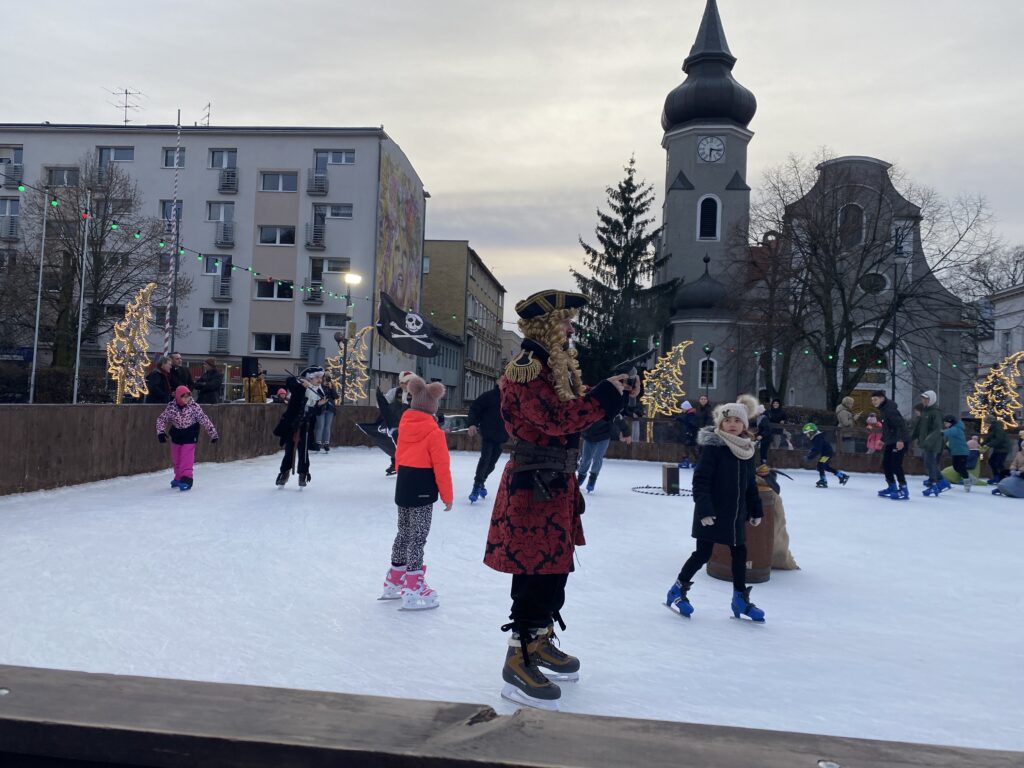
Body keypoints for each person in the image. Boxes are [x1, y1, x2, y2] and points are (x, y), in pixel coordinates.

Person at [484, 289, 635, 712]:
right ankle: (519, 658)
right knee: (535, 572)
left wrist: (614, 393)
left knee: (555, 569)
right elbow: (555, 420)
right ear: (547, 325)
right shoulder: (526, 369)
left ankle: (538, 639)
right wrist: (604, 395)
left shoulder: (553, 366)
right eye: (565, 321)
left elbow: (576, 416)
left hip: (555, 482)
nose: (571, 328)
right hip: (534, 484)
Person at [665, 395, 766, 622]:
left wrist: (755, 509)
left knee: (739, 553)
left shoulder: (747, 450)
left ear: (744, 425)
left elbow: (750, 484)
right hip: (711, 512)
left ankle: (740, 599)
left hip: (735, 513)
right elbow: (701, 480)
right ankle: (677, 589)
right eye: (727, 420)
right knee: (703, 553)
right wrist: (704, 510)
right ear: (720, 423)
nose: (732, 424)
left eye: (737, 421)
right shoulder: (713, 448)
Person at [379, 375, 454, 610]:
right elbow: (441, 466)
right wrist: (448, 496)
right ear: (432, 406)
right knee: (418, 537)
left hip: (404, 486)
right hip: (422, 488)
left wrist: (403, 476)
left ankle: (394, 580)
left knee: (403, 533)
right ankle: (413, 586)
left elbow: (399, 456)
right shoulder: (434, 432)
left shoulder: (405, 425)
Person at [155, 385, 219, 491]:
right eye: (184, 396)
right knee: (176, 458)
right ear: (178, 397)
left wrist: (213, 434)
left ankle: (187, 480)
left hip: (190, 434)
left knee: (186, 458)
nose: (187, 399)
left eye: (188, 396)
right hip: (177, 434)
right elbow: (162, 419)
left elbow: (204, 419)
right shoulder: (171, 407)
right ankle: (178, 477)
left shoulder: (194, 407)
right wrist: (160, 432)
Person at [272, 366, 326, 488]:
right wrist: (303, 385)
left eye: (320, 377)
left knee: (303, 451)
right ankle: (284, 473)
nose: (319, 380)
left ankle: (303, 474)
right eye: (317, 377)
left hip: (305, 426)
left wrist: (318, 406)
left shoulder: (319, 392)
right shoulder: (299, 386)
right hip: (292, 424)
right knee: (289, 451)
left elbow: (316, 412)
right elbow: (290, 382)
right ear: (310, 378)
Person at [467, 385, 509, 502]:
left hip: (502, 436)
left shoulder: (510, 397)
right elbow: (474, 408)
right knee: (485, 459)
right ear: (498, 381)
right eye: (502, 379)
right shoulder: (488, 396)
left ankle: (481, 482)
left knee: (492, 463)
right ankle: (476, 486)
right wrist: (472, 424)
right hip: (488, 434)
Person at [576, 410, 631, 493]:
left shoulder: (608, 408)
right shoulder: (588, 407)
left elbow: (619, 418)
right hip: (588, 436)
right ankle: (581, 476)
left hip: (603, 436)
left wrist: (627, 433)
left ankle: (592, 478)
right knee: (585, 458)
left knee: (597, 458)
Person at [871, 390, 910, 500]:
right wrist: (883, 439)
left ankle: (903, 489)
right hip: (891, 440)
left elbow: (900, 425)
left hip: (899, 440)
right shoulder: (883, 410)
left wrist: (900, 440)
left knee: (896, 464)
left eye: (875, 399)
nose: (873, 402)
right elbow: (888, 427)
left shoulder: (890, 410)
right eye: (872, 400)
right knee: (886, 464)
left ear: (882, 398)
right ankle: (892, 486)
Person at [383, 370, 415, 476]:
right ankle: (395, 463)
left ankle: (409, 466)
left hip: (412, 425)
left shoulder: (418, 393)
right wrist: (381, 400)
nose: (404, 385)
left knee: (410, 447)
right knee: (395, 444)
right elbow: (384, 403)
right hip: (397, 423)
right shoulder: (395, 391)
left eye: (407, 382)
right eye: (402, 382)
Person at [917, 390, 947, 495]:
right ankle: (940, 481)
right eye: (923, 399)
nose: (924, 401)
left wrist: (928, 440)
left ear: (932, 400)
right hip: (928, 442)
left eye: (926, 399)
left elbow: (937, 429)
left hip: (934, 442)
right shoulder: (926, 411)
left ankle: (935, 483)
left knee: (930, 462)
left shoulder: (935, 412)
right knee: (928, 462)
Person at [801, 423, 850, 488]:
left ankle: (823, 481)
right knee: (825, 466)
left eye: (807, 433)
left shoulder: (818, 437)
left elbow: (817, 449)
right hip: (826, 453)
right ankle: (842, 476)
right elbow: (817, 447)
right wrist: (812, 450)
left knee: (820, 465)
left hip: (827, 454)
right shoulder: (816, 437)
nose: (807, 435)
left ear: (811, 432)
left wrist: (809, 457)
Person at [941, 416, 971, 492]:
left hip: (962, 452)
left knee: (961, 467)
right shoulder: (954, 428)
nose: (945, 425)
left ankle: (967, 481)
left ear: (951, 423)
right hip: (956, 452)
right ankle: (967, 477)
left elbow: (946, 432)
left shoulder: (956, 429)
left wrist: (939, 432)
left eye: (946, 423)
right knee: (956, 467)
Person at [313, 373, 338, 452]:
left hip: (330, 409)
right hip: (321, 408)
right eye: (326, 378)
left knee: (327, 426)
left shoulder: (331, 386)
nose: (327, 380)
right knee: (320, 426)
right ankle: (318, 443)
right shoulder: (319, 386)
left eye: (328, 378)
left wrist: (331, 388)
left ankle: (326, 444)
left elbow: (336, 396)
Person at [983, 417, 1012, 485]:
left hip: (1003, 447)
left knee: (999, 463)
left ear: (990, 422)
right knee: (991, 461)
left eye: (986, 422)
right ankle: (996, 476)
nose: (985, 424)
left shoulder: (998, 428)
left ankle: (1004, 478)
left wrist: (988, 445)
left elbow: (999, 439)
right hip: (998, 448)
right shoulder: (992, 428)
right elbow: (989, 438)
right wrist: (982, 444)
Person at [676, 400, 701, 469]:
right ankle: (697, 462)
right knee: (691, 448)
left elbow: (692, 423)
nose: (682, 410)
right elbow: (686, 420)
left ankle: (687, 462)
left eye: (683, 408)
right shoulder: (689, 415)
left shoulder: (691, 415)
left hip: (690, 434)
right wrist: (680, 419)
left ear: (686, 408)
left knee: (687, 448)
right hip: (690, 434)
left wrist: (690, 432)